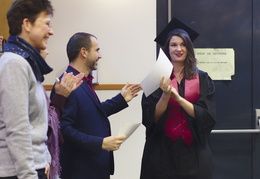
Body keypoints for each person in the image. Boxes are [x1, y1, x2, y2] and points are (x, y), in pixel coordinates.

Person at [0, 0, 83, 179]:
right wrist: (29, 175)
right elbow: (17, 130)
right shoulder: (14, 63)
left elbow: (37, 124)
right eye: (46, 24)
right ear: (27, 24)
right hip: (18, 173)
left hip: (34, 167)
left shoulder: (26, 64)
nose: (51, 31)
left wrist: (44, 157)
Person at [50, 32, 141, 179]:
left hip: (94, 168)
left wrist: (121, 99)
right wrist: (100, 143)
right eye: (97, 50)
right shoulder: (67, 84)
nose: (100, 55)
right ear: (84, 52)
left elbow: (90, 113)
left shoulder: (82, 81)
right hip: (80, 171)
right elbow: (63, 130)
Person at [140, 17, 216, 179]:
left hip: (194, 150)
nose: (178, 49)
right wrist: (165, 96)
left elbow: (207, 116)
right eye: (173, 45)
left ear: (189, 48)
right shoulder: (155, 78)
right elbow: (150, 118)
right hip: (162, 151)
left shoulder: (202, 78)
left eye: (183, 44)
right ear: (167, 48)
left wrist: (179, 99)